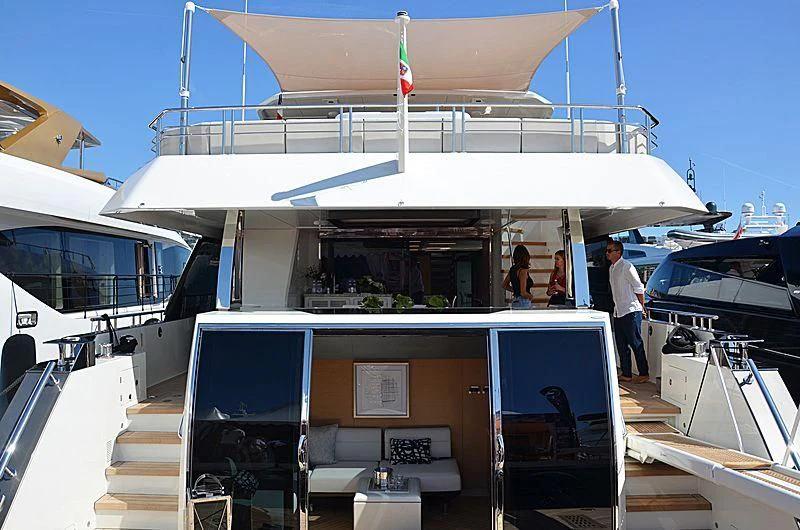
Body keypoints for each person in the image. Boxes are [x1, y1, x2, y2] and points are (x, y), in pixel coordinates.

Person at [606, 240, 649, 383]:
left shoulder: (627, 266)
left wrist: (642, 307)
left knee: (635, 342)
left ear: (618, 252)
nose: (607, 253)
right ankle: (627, 373)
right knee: (621, 344)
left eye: (609, 250)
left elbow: (639, 287)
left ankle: (644, 373)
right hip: (618, 311)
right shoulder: (612, 268)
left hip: (631, 310)